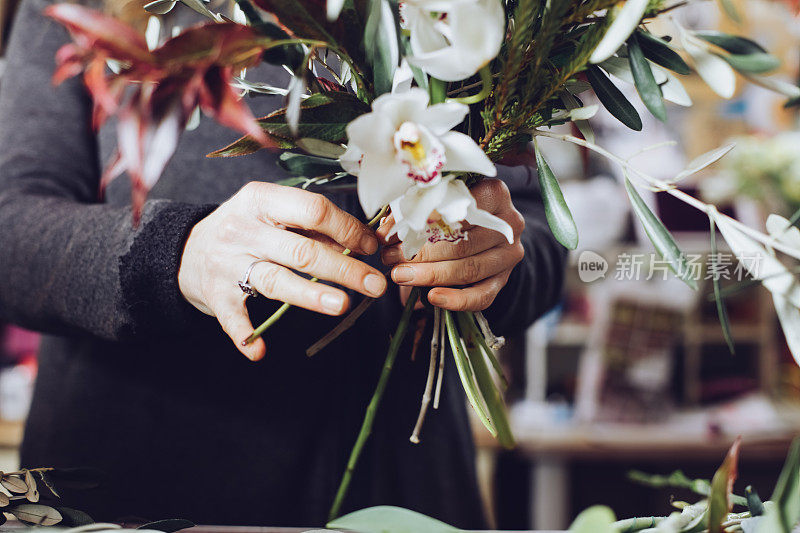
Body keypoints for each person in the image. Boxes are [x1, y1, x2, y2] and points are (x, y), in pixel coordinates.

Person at [0, 0, 567, 527]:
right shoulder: (87, 12)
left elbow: (538, 234)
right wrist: (179, 254)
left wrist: (488, 254)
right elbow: (11, 230)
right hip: (138, 484)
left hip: (397, 481)